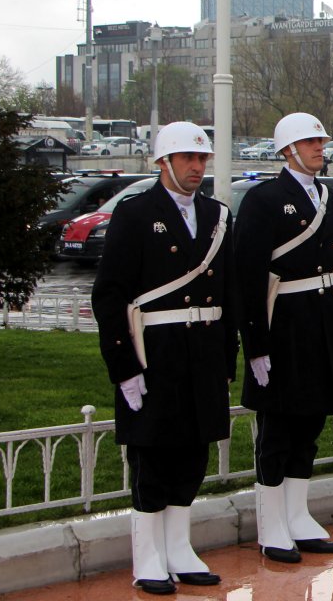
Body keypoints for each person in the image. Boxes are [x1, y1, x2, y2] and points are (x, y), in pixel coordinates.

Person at [91, 122, 235, 594]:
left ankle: (178, 547)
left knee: (193, 453)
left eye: (202, 158)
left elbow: (227, 291)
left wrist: (227, 356)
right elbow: (110, 295)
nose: (197, 167)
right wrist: (124, 367)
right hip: (156, 352)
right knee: (153, 455)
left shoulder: (216, 214)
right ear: (163, 162)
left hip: (203, 351)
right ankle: (148, 555)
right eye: (187, 158)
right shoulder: (136, 213)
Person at [236, 112, 333, 563]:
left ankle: (298, 515)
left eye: (321, 141)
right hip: (284, 327)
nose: (320, 148)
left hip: (322, 326)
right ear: (287, 150)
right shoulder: (264, 199)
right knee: (279, 429)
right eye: (310, 142)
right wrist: (256, 346)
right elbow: (248, 277)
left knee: (311, 425)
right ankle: (272, 525)